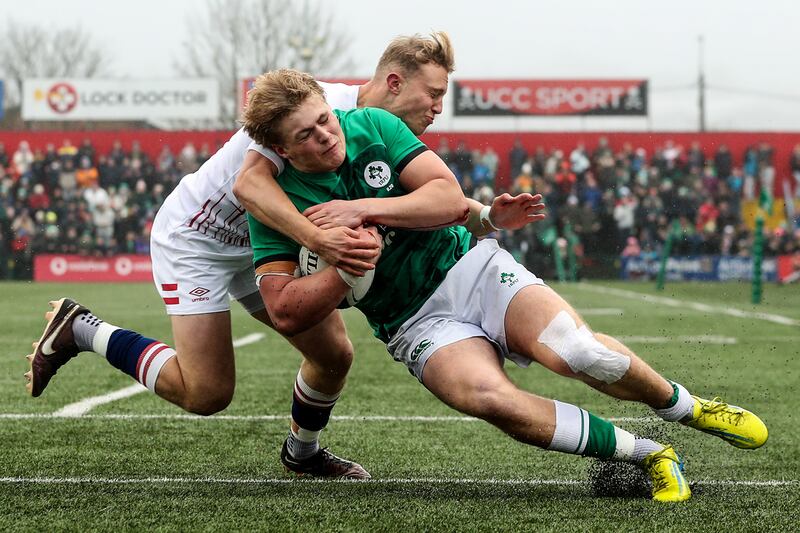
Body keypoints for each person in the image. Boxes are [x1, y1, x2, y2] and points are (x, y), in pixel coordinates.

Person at [243, 69, 768, 503]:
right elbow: (286, 311)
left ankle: (686, 408)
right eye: (305, 136)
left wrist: (363, 209)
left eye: (324, 119)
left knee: (578, 351)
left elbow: (448, 199)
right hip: (411, 321)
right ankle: (651, 454)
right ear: (278, 149)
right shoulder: (275, 206)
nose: (326, 135)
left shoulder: (372, 125)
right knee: (489, 398)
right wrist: (345, 268)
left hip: (473, 269)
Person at [25, 32, 456, 480]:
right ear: (394, 83)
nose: (437, 108)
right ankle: (83, 329)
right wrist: (320, 240)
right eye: (434, 93)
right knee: (207, 393)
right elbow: (248, 185)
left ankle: (302, 453)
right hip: (199, 240)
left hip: (261, 243)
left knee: (334, 355)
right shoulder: (313, 106)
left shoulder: (366, 130)